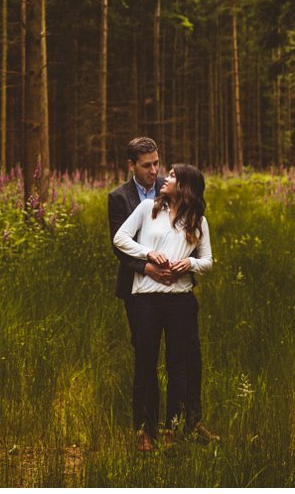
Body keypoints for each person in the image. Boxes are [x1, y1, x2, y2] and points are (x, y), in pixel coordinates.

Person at [113, 160, 215, 449]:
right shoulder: (148, 209)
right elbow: (119, 238)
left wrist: (190, 263)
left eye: (172, 175)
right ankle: (145, 432)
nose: (164, 178)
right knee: (145, 363)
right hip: (145, 298)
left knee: (178, 366)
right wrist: (148, 254)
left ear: (185, 186)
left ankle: (171, 430)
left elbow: (208, 260)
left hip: (180, 301)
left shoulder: (198, 221)